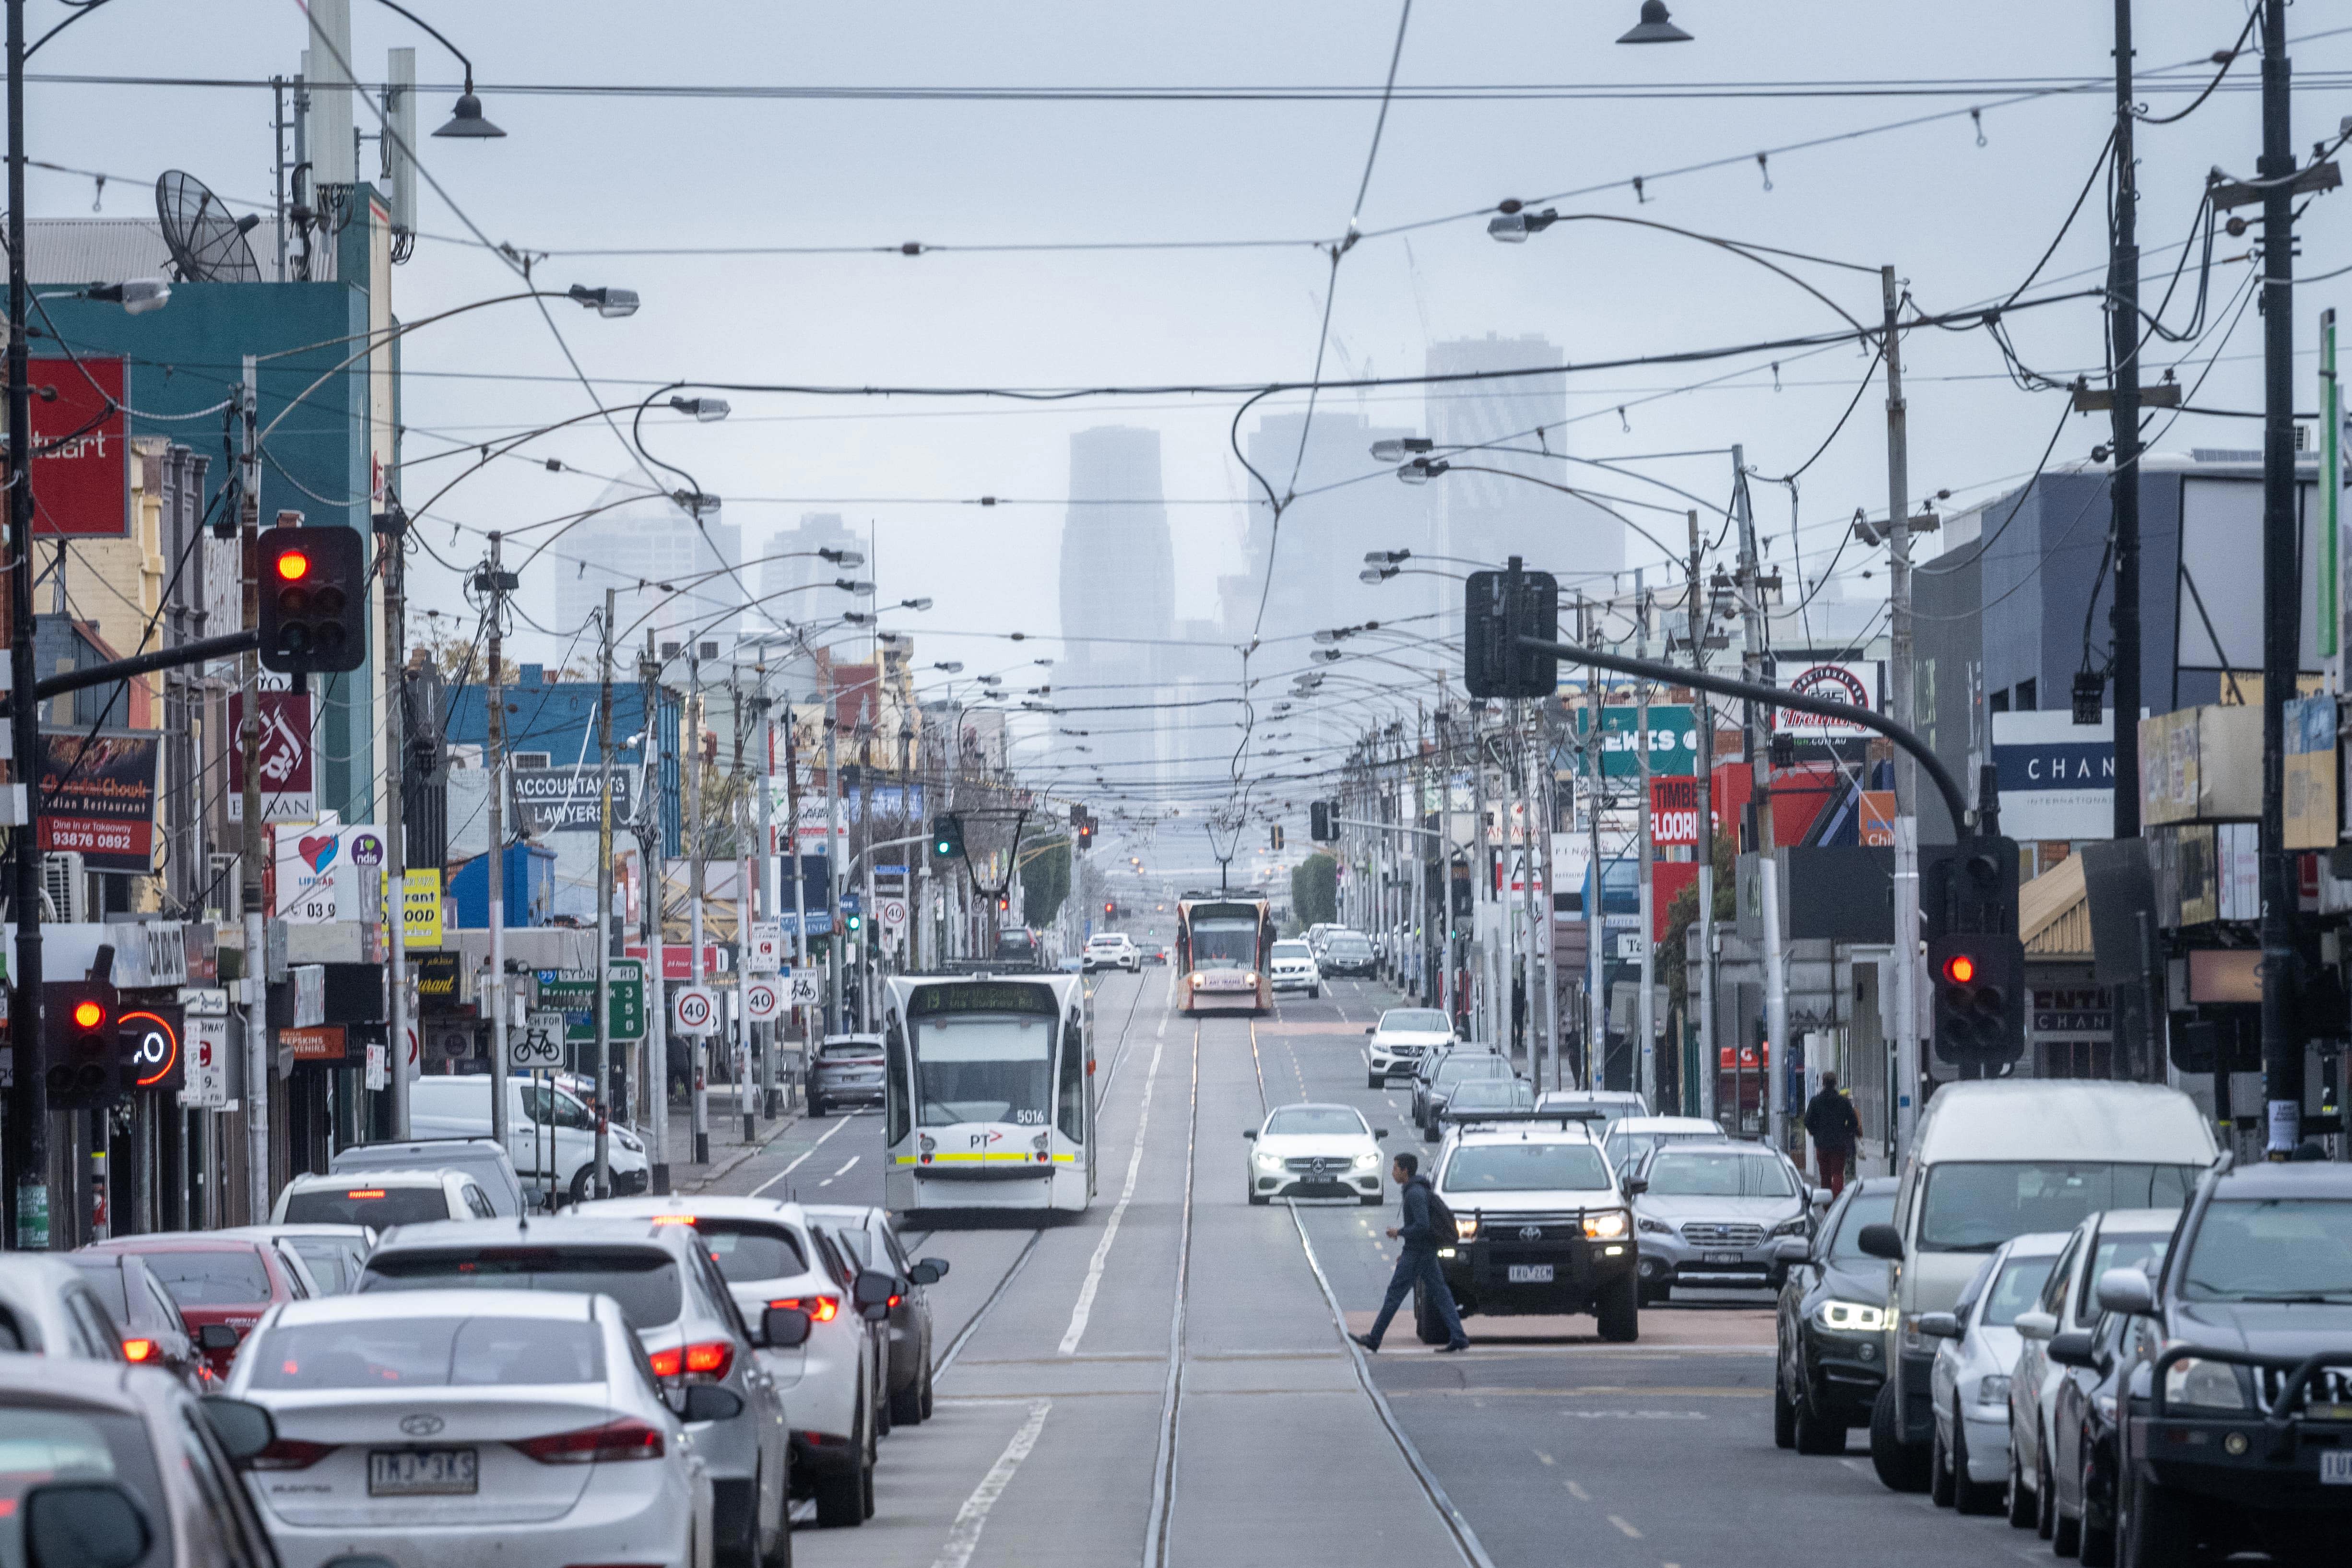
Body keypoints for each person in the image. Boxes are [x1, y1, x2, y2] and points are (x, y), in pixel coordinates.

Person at [1350, 1151, 1468, 1354]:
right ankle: (1459, 1337)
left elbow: (1422, 1226)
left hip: (1417, 1254)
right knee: (1442, 1295)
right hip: (1422, 1253)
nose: (1393, 1173)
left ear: (1405, 1171)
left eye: (1396, 1168)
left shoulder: (1414, 1194)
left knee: (1394, 1295)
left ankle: (1375, 1338)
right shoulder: (1415, 1190)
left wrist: (1400, 1232)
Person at [1803, 1072, 1863, 1197]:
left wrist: (1816, 1133)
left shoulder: (1815, 1101)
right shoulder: (1844, 1102)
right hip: (1839, 1144)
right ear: (1835, 1084)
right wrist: (1845, 1132)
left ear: (1823, 1083)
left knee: (1825, 1175)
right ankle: (1837, 1200)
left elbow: (1807, 1121)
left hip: (1822, 1144)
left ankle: (1827, 1204)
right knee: (1838, 1174)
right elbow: (1853, 1122)